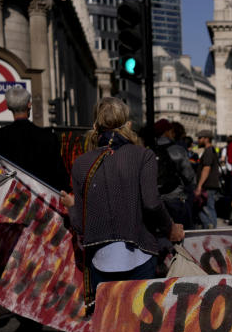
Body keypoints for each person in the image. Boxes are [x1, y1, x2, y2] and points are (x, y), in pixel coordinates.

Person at [61, 98, 184, 309]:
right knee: (139, 325)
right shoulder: (143, 155)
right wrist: (170, 228)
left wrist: (72, 206)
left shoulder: (82, 163)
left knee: (109, 328)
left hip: (100, 259)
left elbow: (80, 226)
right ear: (127, 124)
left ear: (96, 125)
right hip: (140, 254)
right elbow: (152, 204)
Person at [0, 87, 69, 191]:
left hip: (11, 199)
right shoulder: (47, 136)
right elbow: (60, 176)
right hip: (41, 199)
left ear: (9, 107)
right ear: (29, 105)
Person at [194, 130, 222, 229]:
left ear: (206, 139)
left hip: (208, 185)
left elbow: (206, 169)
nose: (198, 140)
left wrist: (199, 186)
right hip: (209, 185)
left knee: (208, 209)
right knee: (204, 208)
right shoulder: (210, 150)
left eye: (200, 138)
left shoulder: (209, 151)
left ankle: (211, 230)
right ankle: (209, 228)